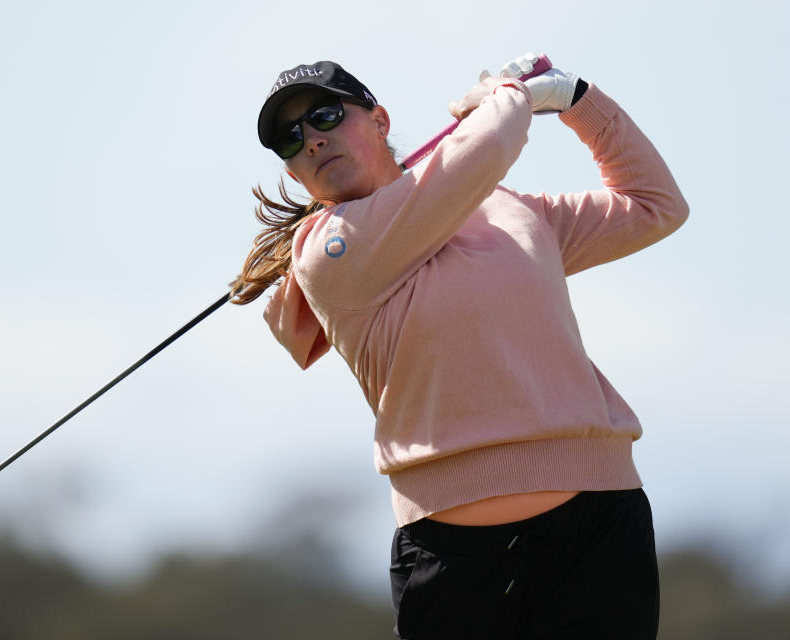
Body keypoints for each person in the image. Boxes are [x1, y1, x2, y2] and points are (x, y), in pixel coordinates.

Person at [230, 53, 688, 639]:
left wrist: (579, 100)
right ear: (294, 175)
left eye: (324, 115)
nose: (312, 140)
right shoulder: (329, 252)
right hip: (451, 558)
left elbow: (656, 206)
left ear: (380, 121)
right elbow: (489, 143)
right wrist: (506, 94)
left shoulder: (512, 211)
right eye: (291, 139)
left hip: (598, 528)